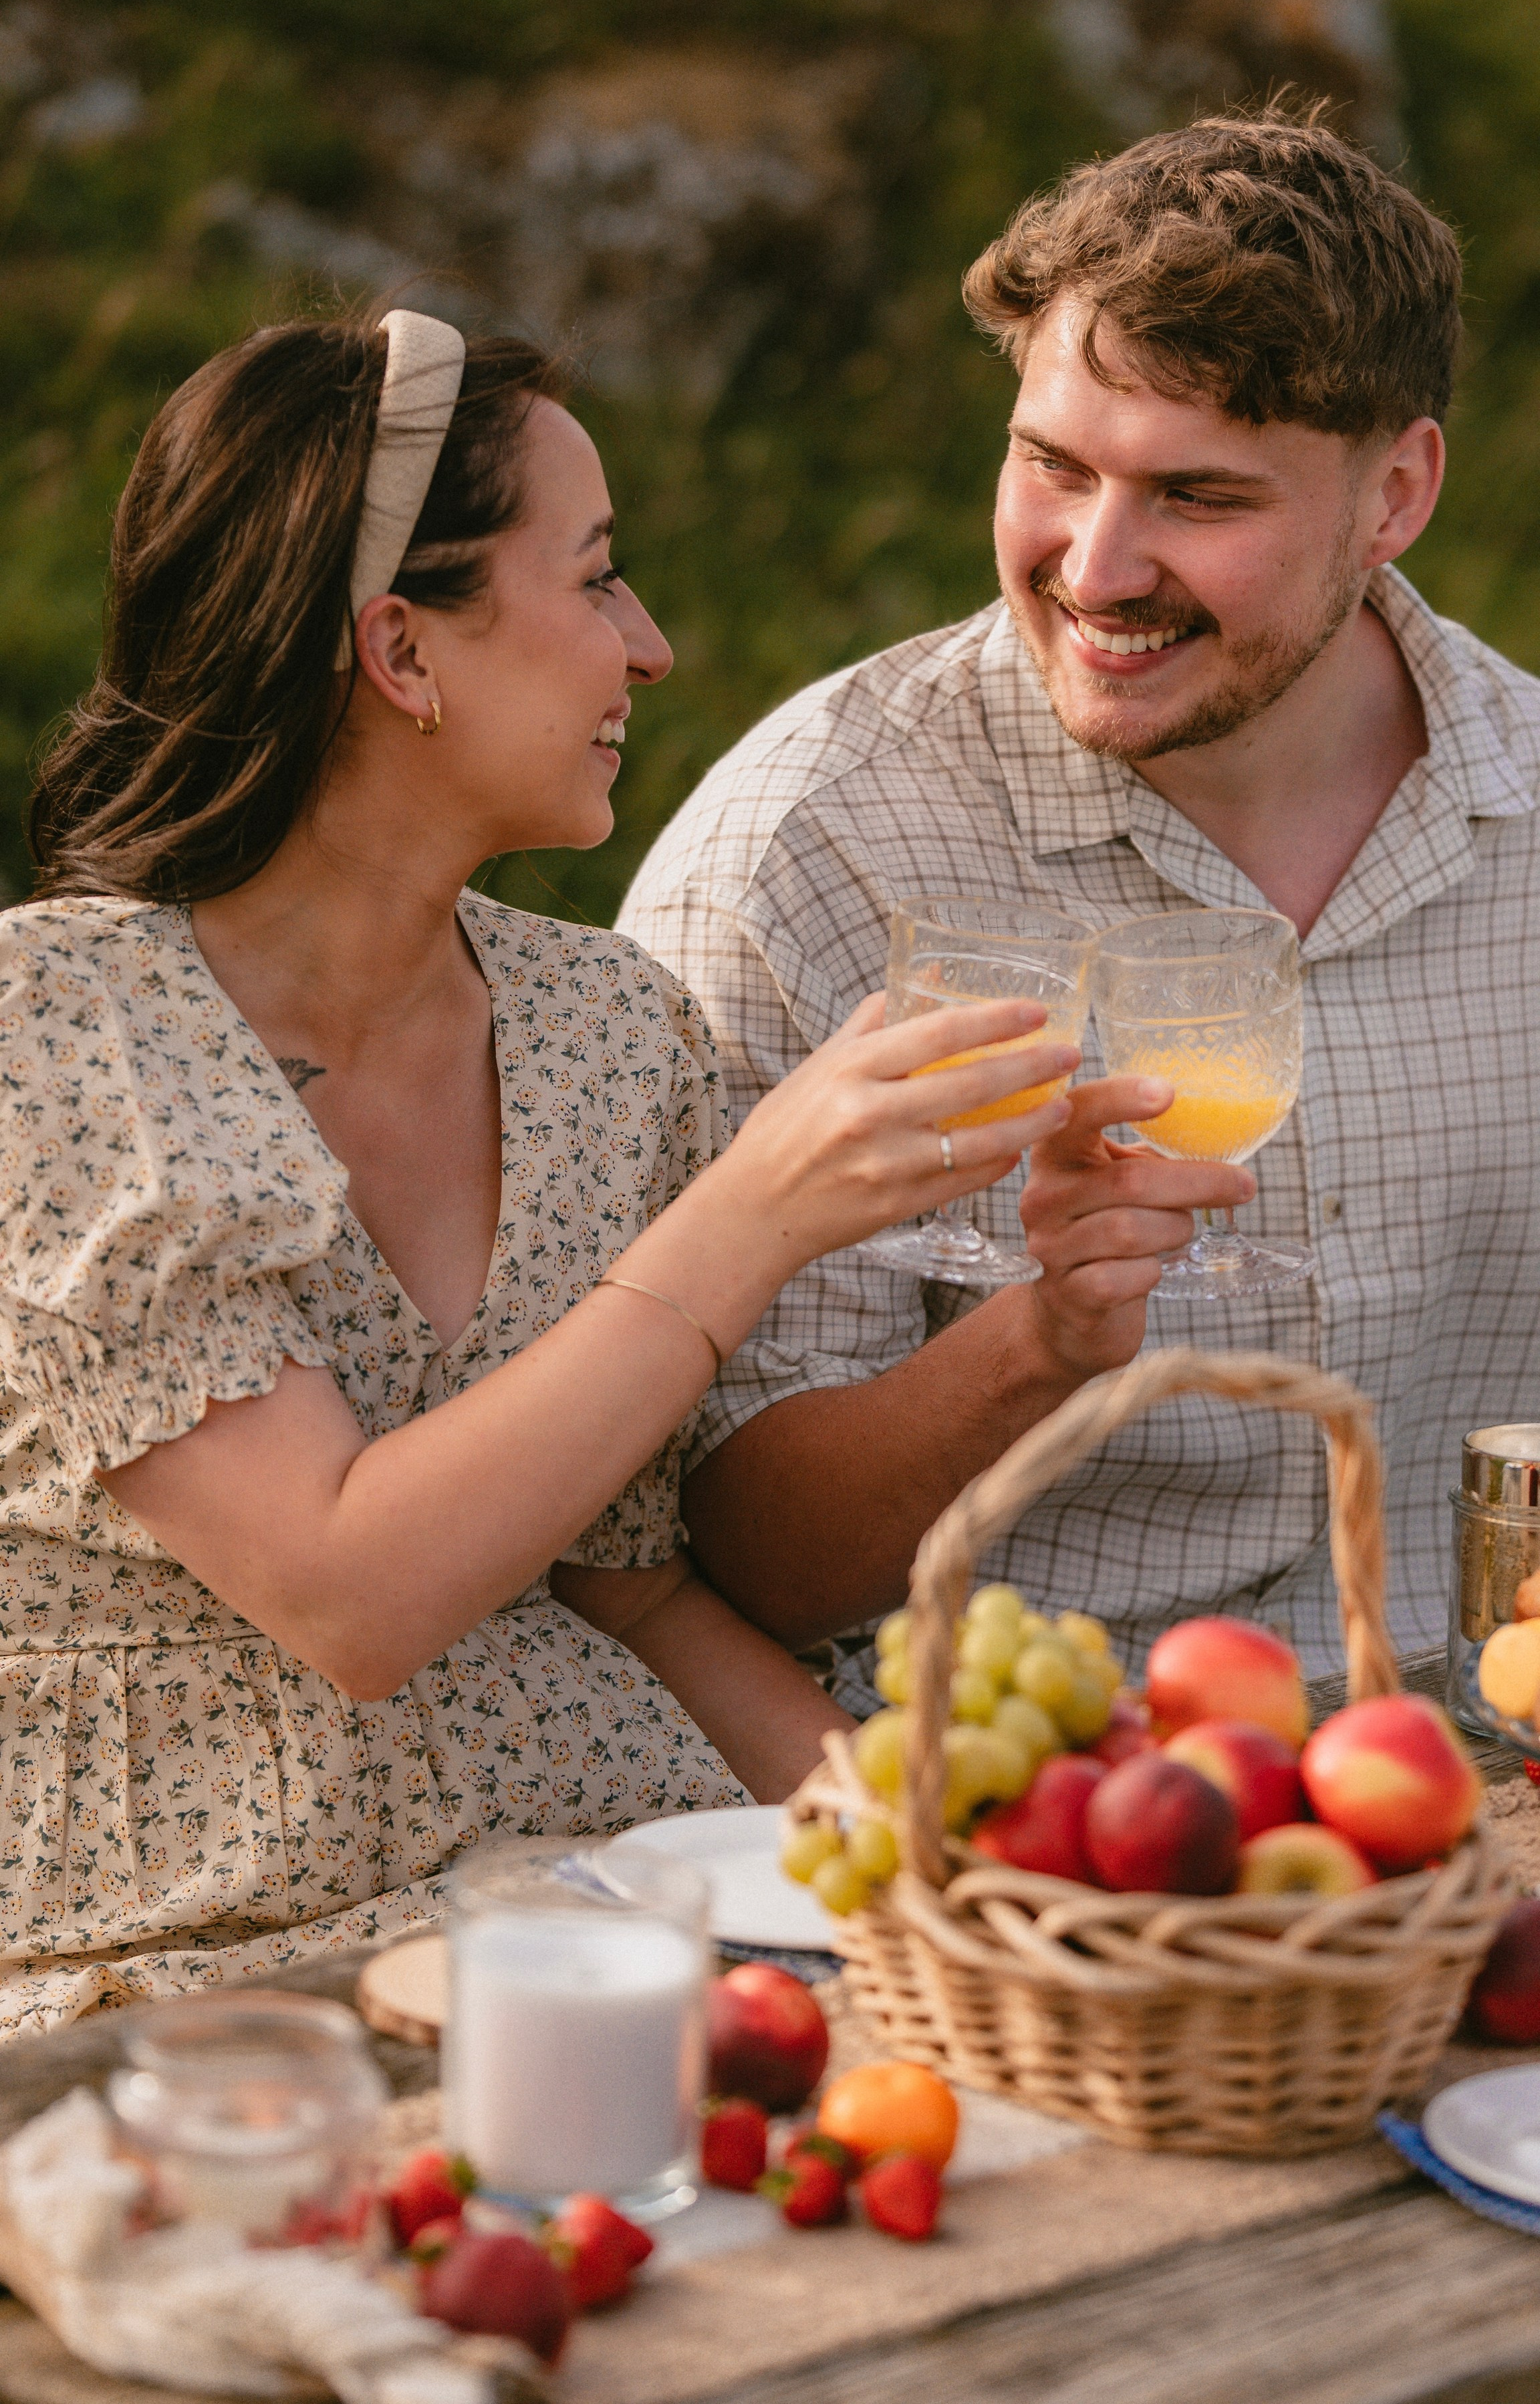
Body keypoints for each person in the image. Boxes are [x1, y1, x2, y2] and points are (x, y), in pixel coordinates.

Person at [0, 306, 1151, 2038]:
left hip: (607, 1900)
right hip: (190, 1967)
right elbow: (349, 1593)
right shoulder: (62, 1024)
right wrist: (751, 1214)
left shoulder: (610, 1029)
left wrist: (898, 1854)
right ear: (404, 651)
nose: (657, 647)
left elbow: (634, 1585)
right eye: (599, 580)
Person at [620, 104, 1540, 1709]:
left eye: (1199, 497)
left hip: (1481, 1789)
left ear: (1396, 495)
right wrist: (1037, 1341)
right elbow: (734, 1555)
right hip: (1014, 1822)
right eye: (1053, 465)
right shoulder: (812, 848)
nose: (1095, 566)